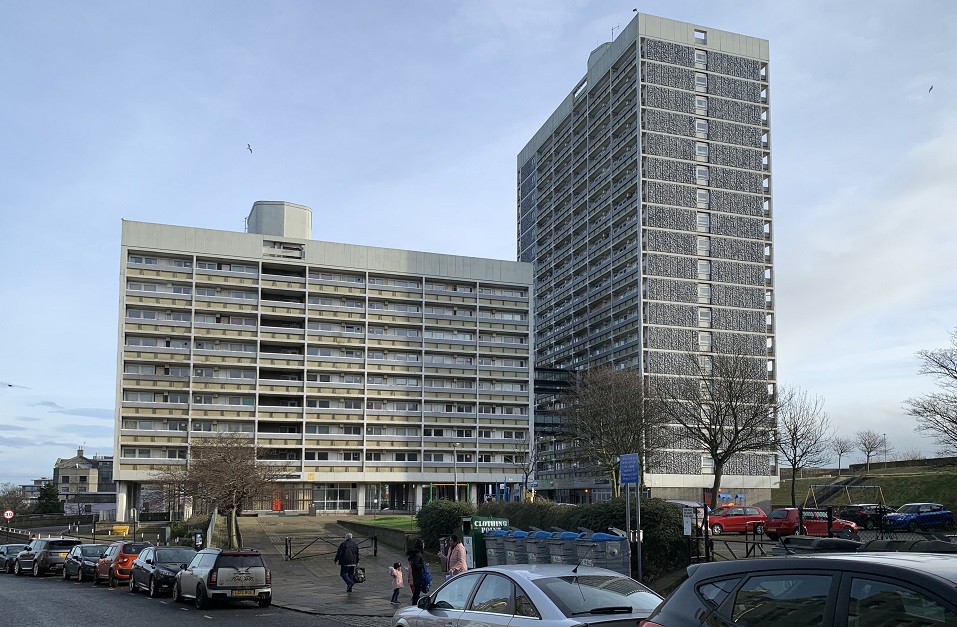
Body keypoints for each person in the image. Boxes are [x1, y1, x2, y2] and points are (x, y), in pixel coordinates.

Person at [407, 538, 425, 604]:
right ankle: (415, 604)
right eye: (423, 544)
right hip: (417, 576)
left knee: (416, 592)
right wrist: (423, 565)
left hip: (416, 575)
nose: (424, 545)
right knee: (416, 592)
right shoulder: (418, 554)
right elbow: (415, 565)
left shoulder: (416, 553)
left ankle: (415, 602)